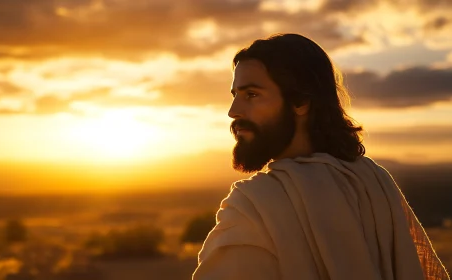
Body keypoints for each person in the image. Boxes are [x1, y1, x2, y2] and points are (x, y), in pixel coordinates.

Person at [192, 34, 449, 280]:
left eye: (252, 94)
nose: (233, 111)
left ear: (301, 101)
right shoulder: (374, 180)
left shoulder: (253, 204)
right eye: (235, 95)